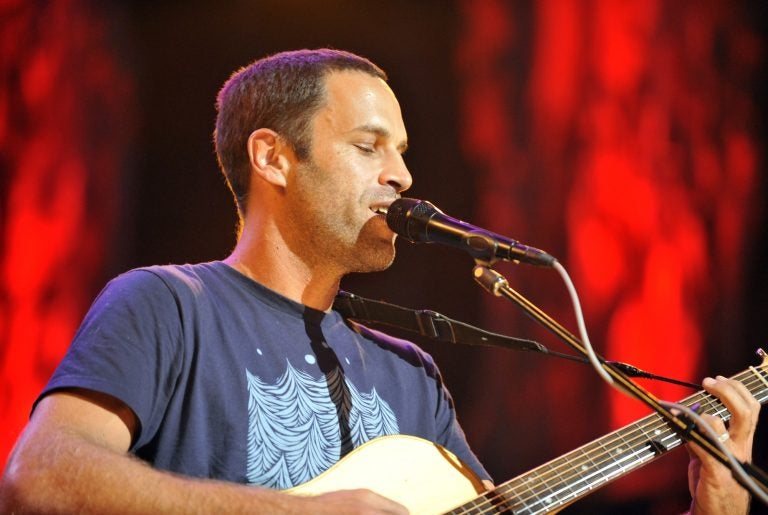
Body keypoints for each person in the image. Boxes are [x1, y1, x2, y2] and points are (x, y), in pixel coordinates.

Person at [0, 49, 760, 514]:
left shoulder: (411, 376)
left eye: (401, 150)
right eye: (370, 147)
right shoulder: (168, 305)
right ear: (273, 158)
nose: (402, 175)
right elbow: (37, 479)